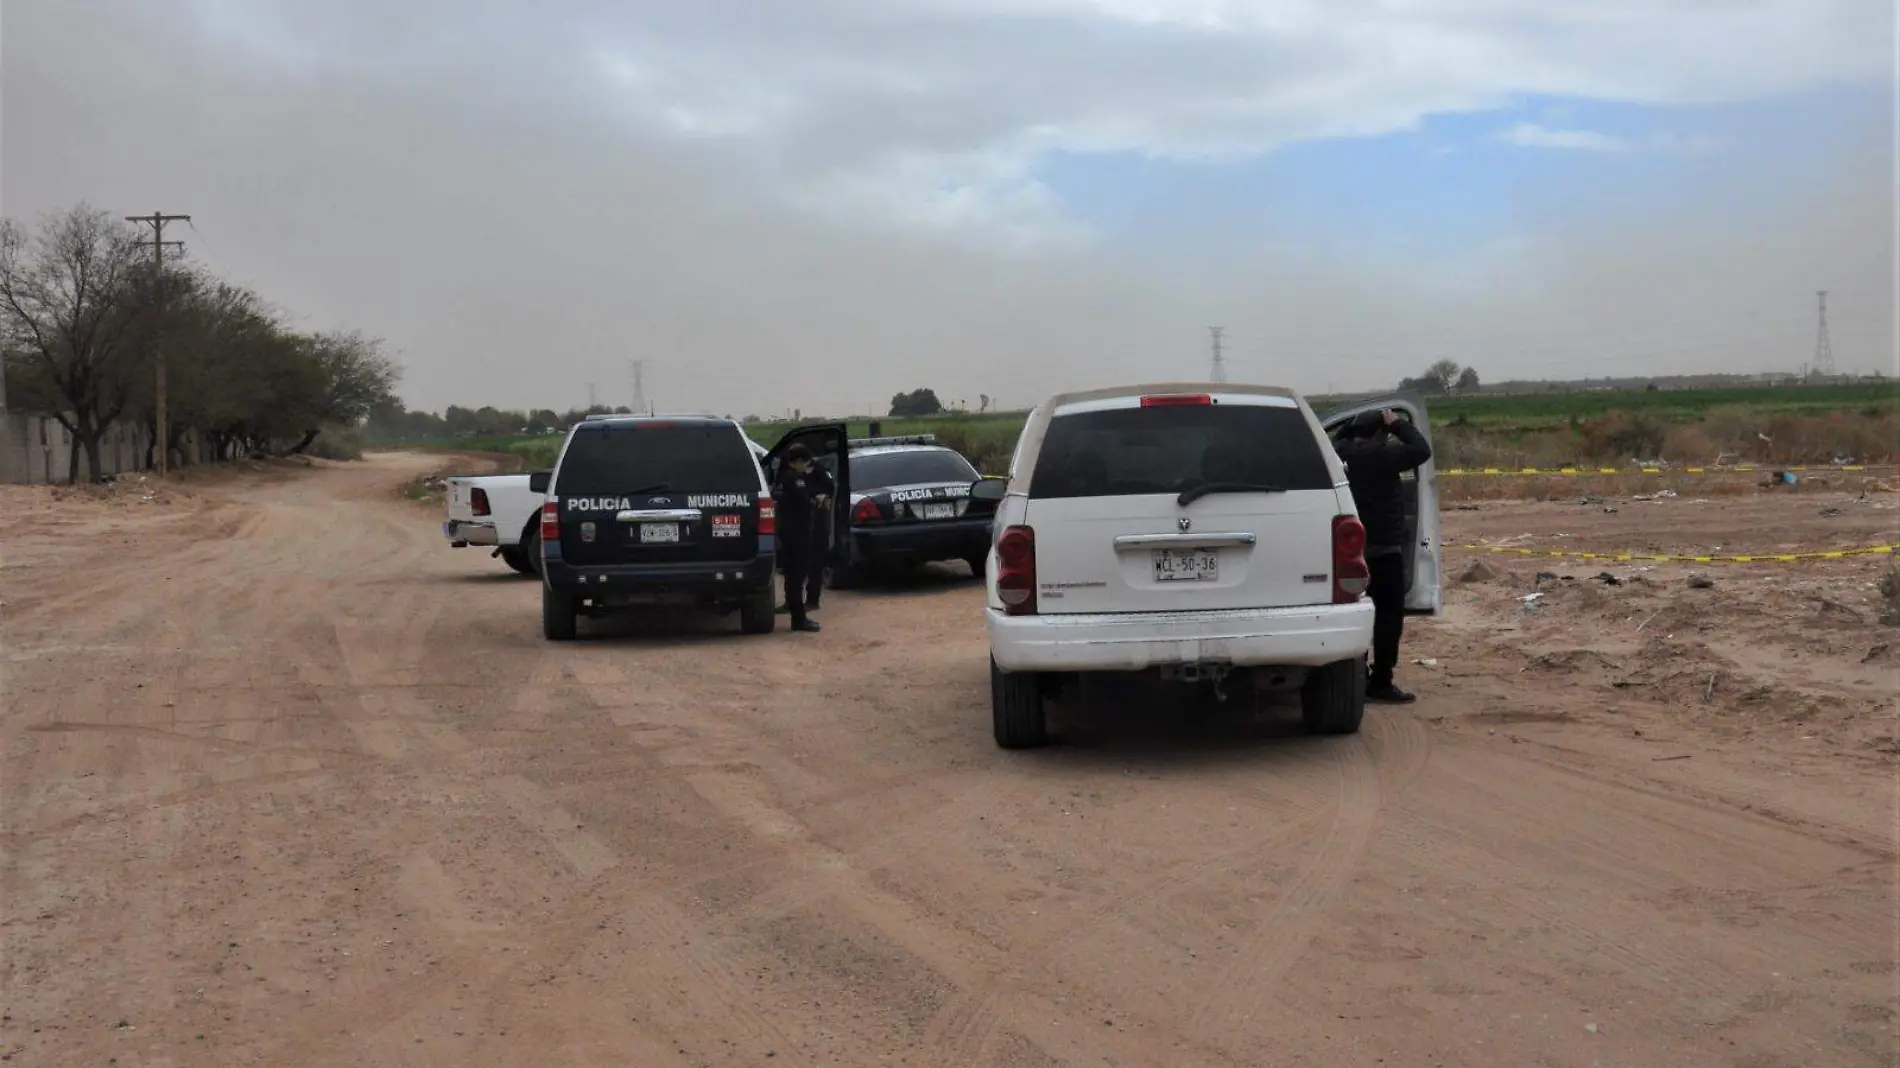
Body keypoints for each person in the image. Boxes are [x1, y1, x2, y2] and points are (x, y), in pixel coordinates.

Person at [1332, 409, 1433, 703]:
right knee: (1388, 617)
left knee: (1355, 612)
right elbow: (1421, 450)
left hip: (1352, 551)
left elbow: (1338, 439)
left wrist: (1349, 428)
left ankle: (1355, 676)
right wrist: (1398, 423)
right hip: (1385, 549)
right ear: (1380, 433)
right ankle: (1381, 680)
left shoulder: (1340, 453)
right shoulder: (1383, 456)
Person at [771, 444, 832, 633]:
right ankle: (799, 619)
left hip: (785, 534)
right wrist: (817, 501)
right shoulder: (795, 479)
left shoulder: (781, 478)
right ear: (797, 461)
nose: (806, 467)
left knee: (791, 577)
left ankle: (794, 610)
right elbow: (804, 503)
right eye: (804, 462)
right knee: (797, 577)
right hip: (798, 535)